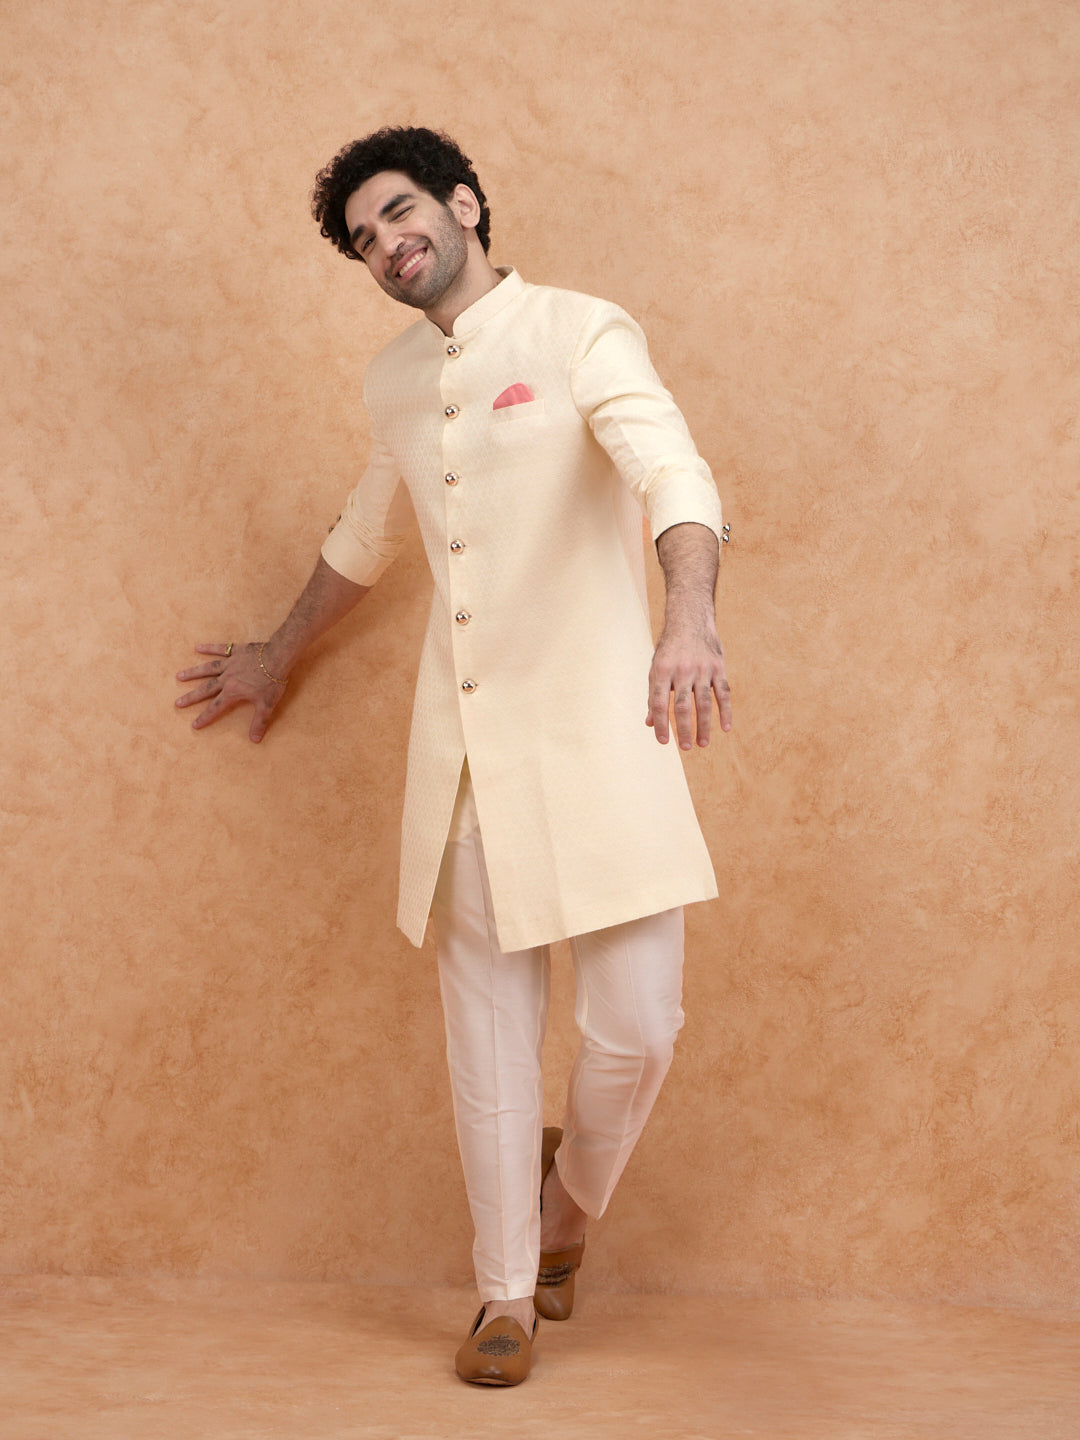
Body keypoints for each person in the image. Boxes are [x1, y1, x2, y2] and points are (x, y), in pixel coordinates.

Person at [175, 126, 731, 1386]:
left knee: (639, 1029)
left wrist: (689, 620)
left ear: (465, 204)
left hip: (604, 738)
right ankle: (503, 1296)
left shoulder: (581, 330)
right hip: (466, 753)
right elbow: (366, 533)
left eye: (400, 211)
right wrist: (276, 652)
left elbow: (671, 468)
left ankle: (568, 1205)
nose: (387, 244)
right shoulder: (391, 381)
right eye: (363, 239)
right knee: (487, 1042)